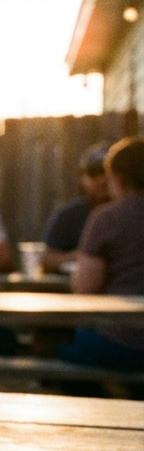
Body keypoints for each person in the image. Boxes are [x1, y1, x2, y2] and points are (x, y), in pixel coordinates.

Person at [58, 137, 144, 371]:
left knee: (55, 347)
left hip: (122, 339)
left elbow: (85, 287)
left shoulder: (107, 217)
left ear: (118, 177)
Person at [42, 143, 113, 272]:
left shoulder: (131, 214)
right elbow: (46, 259)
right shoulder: (69, 214)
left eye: (106, 173)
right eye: (94, 173)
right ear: (82, 178)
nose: (101, 180)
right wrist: (79, 256)